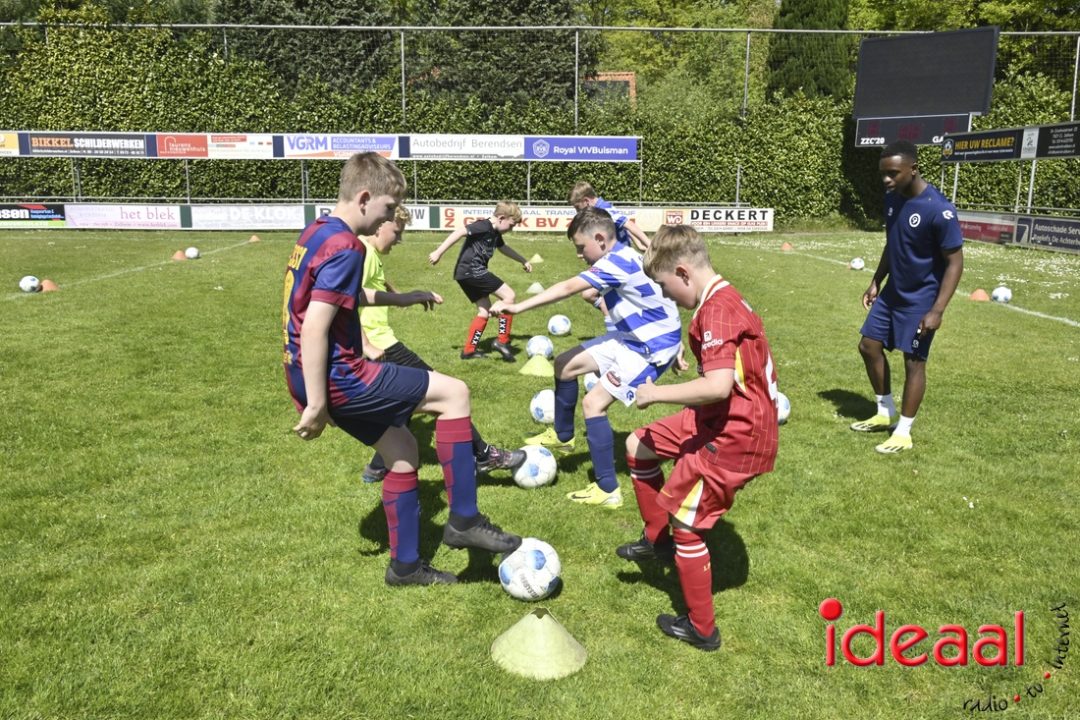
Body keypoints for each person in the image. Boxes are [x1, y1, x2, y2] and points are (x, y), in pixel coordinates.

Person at [284, 152, 521, 587]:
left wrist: (403, 298)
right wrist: (318, 404)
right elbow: (316, 324)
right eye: (389, 208)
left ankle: (406, 567)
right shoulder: (348, 246)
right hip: (338, 377)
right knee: (455, 393)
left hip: (304, 372)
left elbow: (339, 298)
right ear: (364, 197)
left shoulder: (317, 231)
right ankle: (465, 520)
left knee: (403, 452)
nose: (389, 217)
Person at [618, 224, 779, 652]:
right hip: (716, 417)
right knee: (639, 445)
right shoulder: (720, 298)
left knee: (687, 524)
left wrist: (654, 394)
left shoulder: (717, 311)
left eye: (665, 286)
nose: (666, 296)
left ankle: (702, 629)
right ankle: (656, 542)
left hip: (736, 433)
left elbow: (718, 386)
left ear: (684, 273)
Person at [490, 206, 684, 509]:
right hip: (632, 338)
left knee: (593, 404)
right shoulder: (624, 256)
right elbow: (657, 297)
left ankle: (608, 490)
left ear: (601, 239)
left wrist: (517, 307)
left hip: (649, 349)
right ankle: (563, 437)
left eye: (581, 247)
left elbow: (569, 287)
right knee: (564, 364)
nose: (579, 255)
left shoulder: (616, 262)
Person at [358, 205, 526, 484]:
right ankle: (484, 455)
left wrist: (399, 294)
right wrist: (366, 344)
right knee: (447, 393)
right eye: (397, 233)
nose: (399, 240)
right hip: (380, 344)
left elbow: (370, 281)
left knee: (408, 398)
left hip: (380, 341)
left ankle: (377, 467)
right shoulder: (362, 252)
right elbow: (346, 296)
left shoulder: (368, 252)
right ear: (380, 225)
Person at [852, 140, 964, 454]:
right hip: (892, 293)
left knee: (914, 361)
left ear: (913, 169)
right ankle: (885, 411)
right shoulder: (893, 199)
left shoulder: (939, 209)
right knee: (868, 345)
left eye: (893, 173)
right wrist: (876, 280)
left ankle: (903, 432)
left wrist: (937, 310)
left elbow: (955, 263)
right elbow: (893, 243)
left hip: (922, 300)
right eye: (883, 173)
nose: (886, 179)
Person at [427, 202, 532, 361]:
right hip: (473, 271)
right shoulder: (483, 226)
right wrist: (438, 252)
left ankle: (468, 351)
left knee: (484, 311)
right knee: (509, 296)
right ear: (501, 218)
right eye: (511, 225)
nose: (512, 229)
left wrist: (523, 260)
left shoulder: (495, 232)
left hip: (464, 274)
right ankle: (502, 341)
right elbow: (460, 231)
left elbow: (503, 248)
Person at [568, 181, 651, 252]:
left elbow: (629, 225)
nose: (577, 212)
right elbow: (622, 225)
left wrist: (650, 246)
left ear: (586, 201)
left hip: (619, 255)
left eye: (577, 207)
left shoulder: (604, 210)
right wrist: (638, 244)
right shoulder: (602, 207)